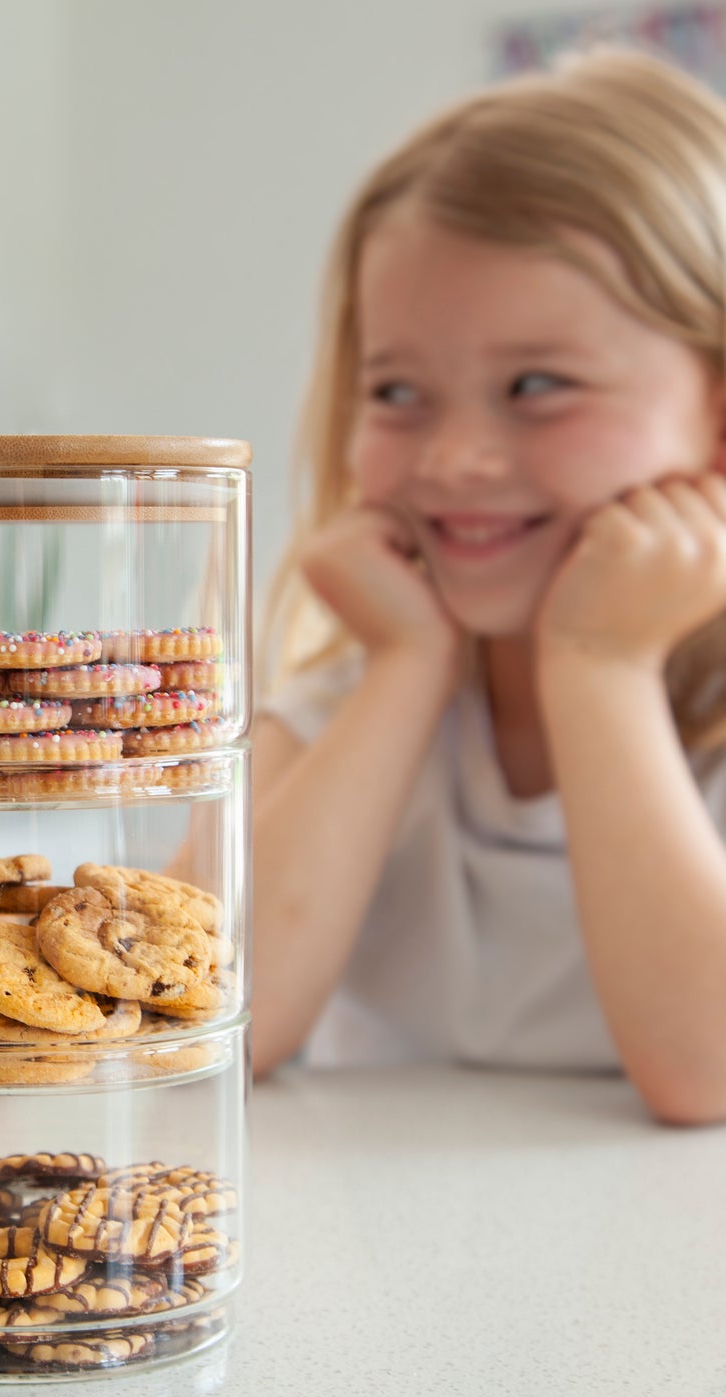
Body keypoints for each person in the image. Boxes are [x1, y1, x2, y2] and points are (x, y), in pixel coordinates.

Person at [253, 48, 726, 1125]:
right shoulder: (336, 714)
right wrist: (405, 667)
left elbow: (704, 1071)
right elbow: (202, 1021)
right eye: (397, 389)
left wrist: (599, 667)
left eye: (536, 386)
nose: (455, 458)